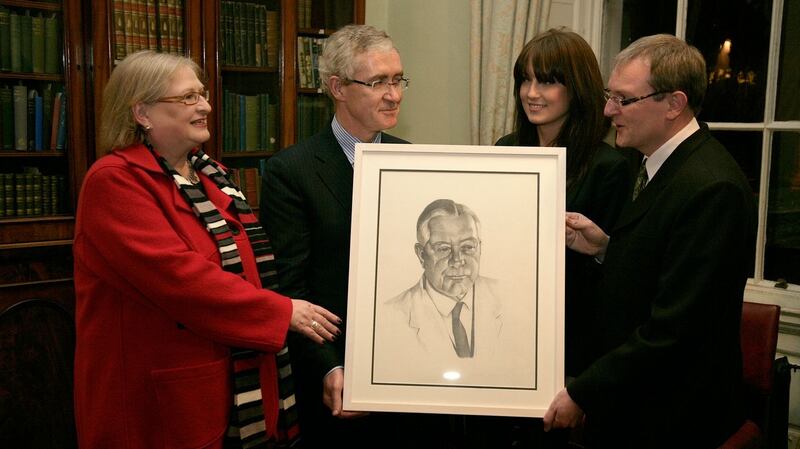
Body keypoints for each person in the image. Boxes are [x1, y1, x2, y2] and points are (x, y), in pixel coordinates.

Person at [72, 50, 341, 449]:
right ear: (142, 113)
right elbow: (179, 278)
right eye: (188, 98)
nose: (206, 106)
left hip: (229, 389)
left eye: (202, 94)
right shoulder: (114, 182)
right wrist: (282, 311)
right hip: (159, 403)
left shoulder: (212, 177)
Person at [543, 34, 756, 448]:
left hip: (672, 418)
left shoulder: (712, 188)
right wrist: (605, 248)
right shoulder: (653, 165)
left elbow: (674, 329)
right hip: (639, 405)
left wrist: (583, 391)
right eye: (609, 96)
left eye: (623, 100)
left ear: (674, 104)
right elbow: (658, 264)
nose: (608, 110)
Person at [261, 25, 445, 448]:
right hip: (338, 377)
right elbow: (291, 288)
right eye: (378, 82)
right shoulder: (292, 172)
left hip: (414, 370)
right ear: (338, 87)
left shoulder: (416, 160)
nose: (394, 94)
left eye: (398, 79)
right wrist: (327, 368)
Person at [495, 28, 632, 377]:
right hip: (502, 327)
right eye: (525, 80)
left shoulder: (609, 167)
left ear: (577, 89)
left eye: (548, 82)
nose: (532, 93)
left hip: (571, 340)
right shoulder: (504, 151)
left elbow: (615, 272)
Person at [374, 199, 528, 387]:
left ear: (480, 247)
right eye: (444, 249)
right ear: (421, 254)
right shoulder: (388, 316)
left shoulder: (514, 299)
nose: (457, 260)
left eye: (468, 247)